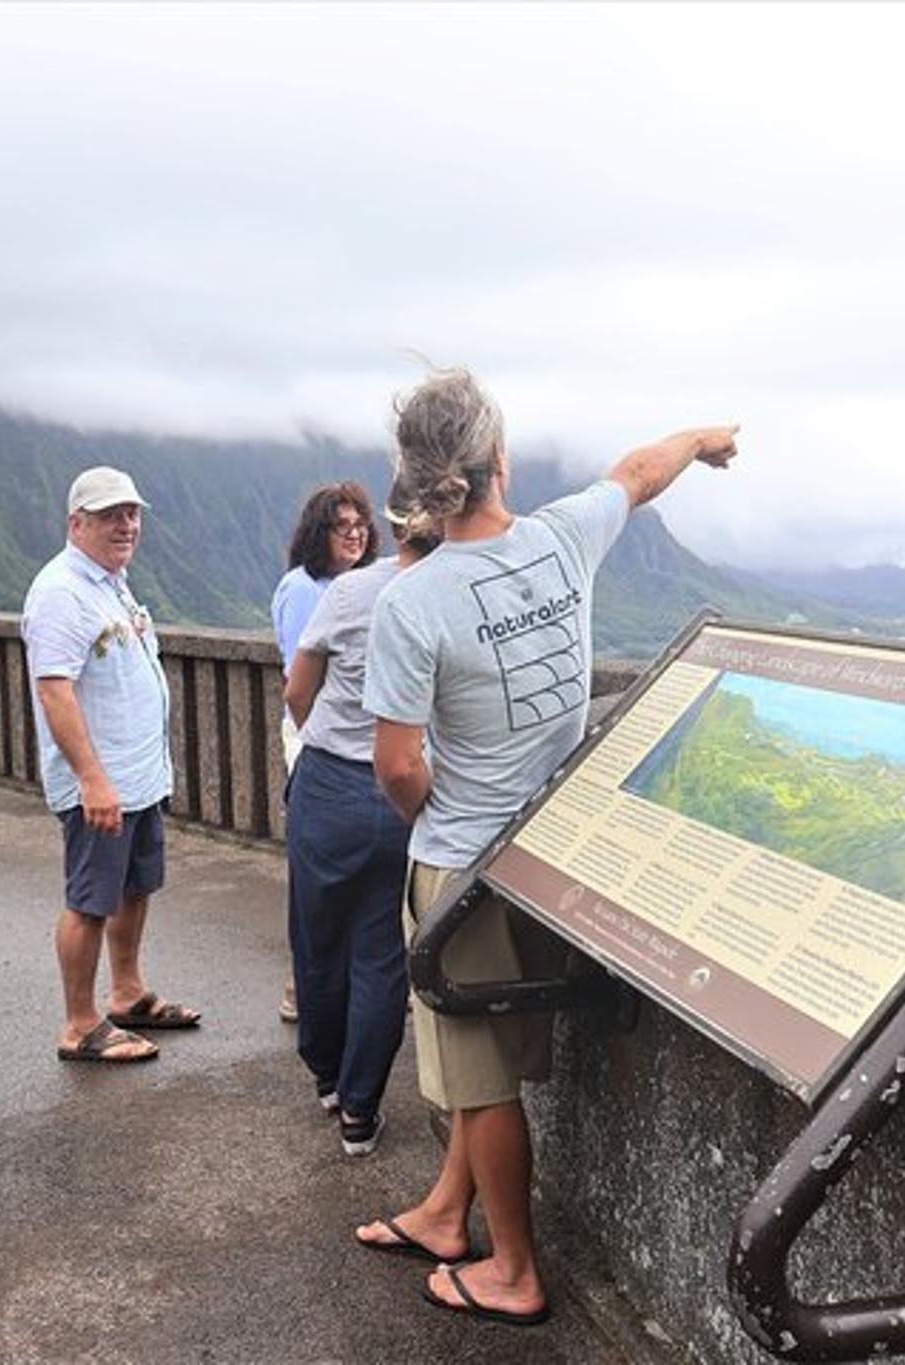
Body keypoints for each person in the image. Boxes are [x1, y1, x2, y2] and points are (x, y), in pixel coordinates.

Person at [358, 368, 737, 1326]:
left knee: (478, 1080)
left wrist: (442, 816)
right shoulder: (563, 538)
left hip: (462, 871)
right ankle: (446, 1212)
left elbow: (397, 764)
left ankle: (514, 1269)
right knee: (490, 1053)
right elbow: (638, 473)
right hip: (547, 856)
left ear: (419, 475)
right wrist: (701, 438)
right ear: (499, 457)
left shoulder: (412, 601)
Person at [283, 472, 440, 1156]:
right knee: (380, 954)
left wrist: (325, 744)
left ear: (392, 521)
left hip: (327, 784)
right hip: (403, 787)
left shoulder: (349, 591)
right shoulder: (450, 595)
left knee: (317, 936)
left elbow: (298, 689)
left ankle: (325, 1073)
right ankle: (358, 1109)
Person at [23, 466, 202, 1065]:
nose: (125, 525)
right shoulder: (60, 591)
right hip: (101, 782)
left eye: (131, 514)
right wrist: (92, 778)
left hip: (139, 776)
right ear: (76, 523)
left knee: (133, 886)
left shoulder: (112, 583)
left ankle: (126, 992)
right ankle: (79, 1023)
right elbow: (55, 691)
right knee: (90, 899)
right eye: (109, 516)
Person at [270, 481, 380, 1022]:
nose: (354, 534)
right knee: (319, 870)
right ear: (320, 532)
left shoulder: (358, 585)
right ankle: (302, 987)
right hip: (317, 738)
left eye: (360, 525)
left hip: (351, 740)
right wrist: (322, 745)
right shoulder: (302, 589)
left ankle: (350, 985)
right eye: (342, 526)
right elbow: (300, 681)